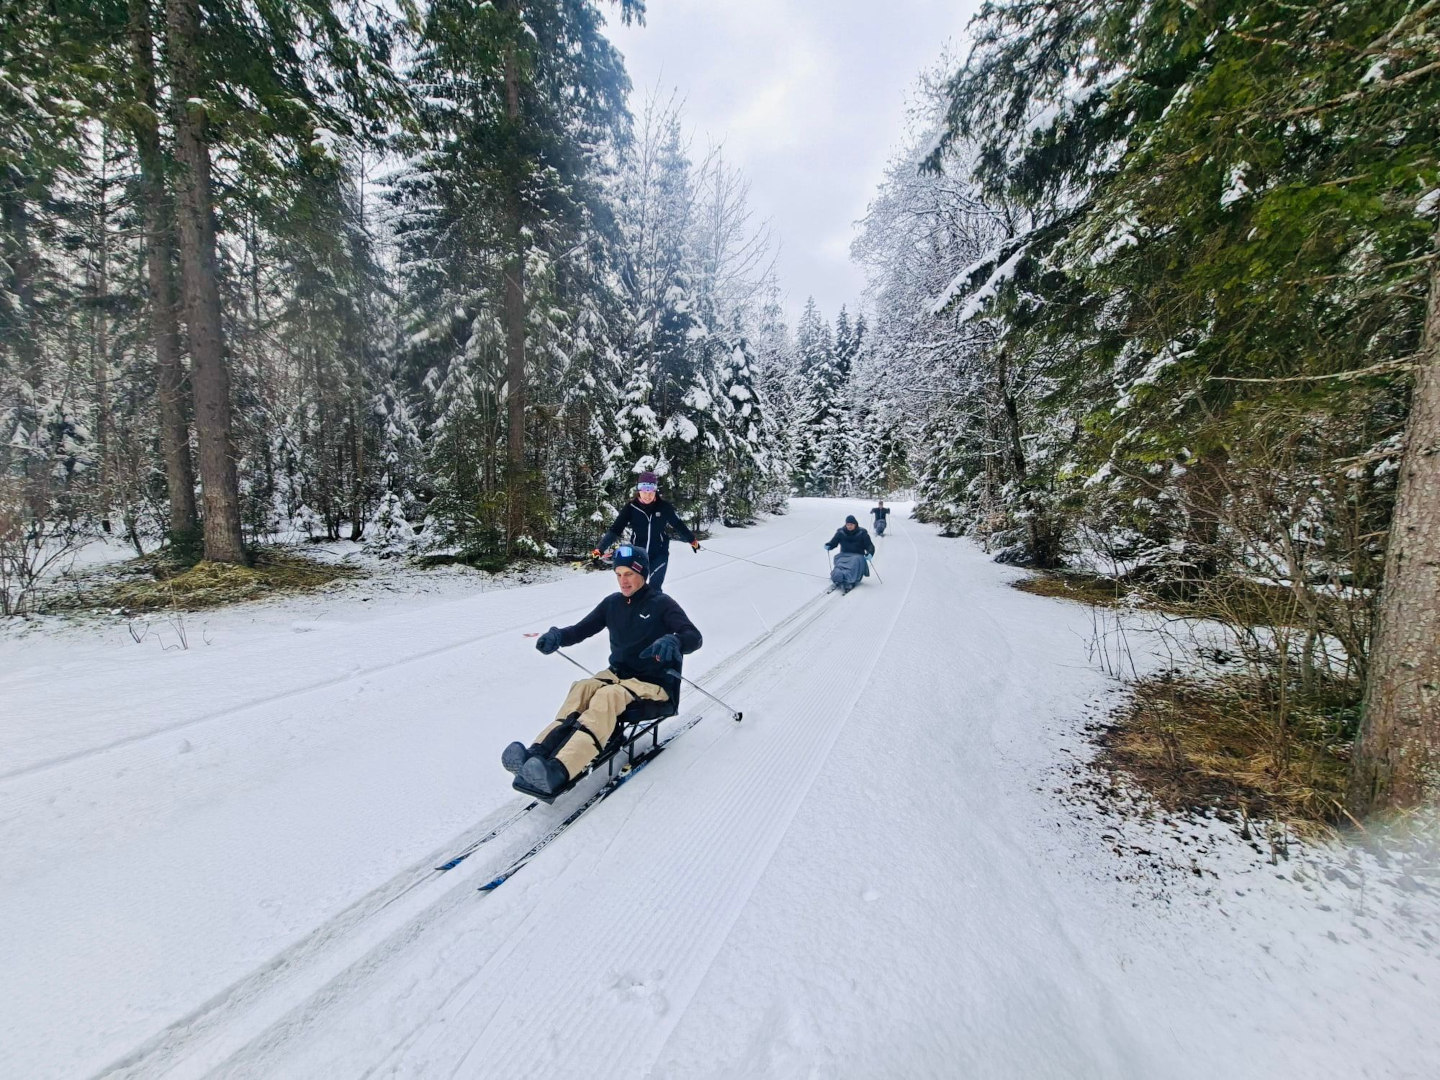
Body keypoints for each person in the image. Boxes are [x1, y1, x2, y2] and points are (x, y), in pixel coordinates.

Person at [503, 545, 703, 796]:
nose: (623, 581)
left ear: (643, 574)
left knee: (607, 697)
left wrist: (675, 640)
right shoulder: (612, 604)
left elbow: (694, 637)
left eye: (628, 574)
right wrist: (557, 637)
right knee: (582, 687)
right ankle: (537, 754)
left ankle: (561, 768)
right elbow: (579, 630)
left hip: (654, 683)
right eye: (618, 574)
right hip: (618, 676)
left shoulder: (662, 604)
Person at [593, 470, 699, 591]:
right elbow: (615, 530)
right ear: (639, 490)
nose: (647, 495)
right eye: (644, 490)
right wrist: (599, 549)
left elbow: (678, 524)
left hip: (659, 554)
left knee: (654, 589)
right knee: (636, 588)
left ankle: (656, 609)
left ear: (655, 490)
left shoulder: (664, 507)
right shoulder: (631, 508)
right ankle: (636, 609)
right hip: (638, 555)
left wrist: (692, 540)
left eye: (651, 490)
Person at [824, 514, 875, 594]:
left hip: (858, 556)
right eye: (848, 524)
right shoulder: (841, 532)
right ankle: (838, 576)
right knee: (839, 563)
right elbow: (834, 542)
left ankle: (850, 581)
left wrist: (870, 553)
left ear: (855, 524)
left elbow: (869, 545)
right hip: (844, 555)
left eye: (851, 524)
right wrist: (829, 545)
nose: (849, 526)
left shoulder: (862, 533)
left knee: (853, 564)